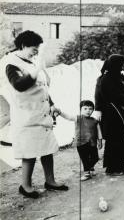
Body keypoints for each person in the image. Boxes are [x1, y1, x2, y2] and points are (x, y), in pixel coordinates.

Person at [0, 30, 68, 199]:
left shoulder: (30, 61)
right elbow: (20, 85)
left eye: (38, 48)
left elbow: (42, 87)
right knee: (29, 153)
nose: (36, 51)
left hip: (42, 114)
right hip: (26, 116)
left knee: (47, 149)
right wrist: (37, 68)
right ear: (23, 46)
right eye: (34, 48)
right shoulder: (11, 63)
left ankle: (50, 181)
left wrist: (51, 105)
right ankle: (26, 186)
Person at [58, 100, 103, 181]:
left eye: (90, 109)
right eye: (85, 109)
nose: (88, 111)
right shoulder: (78, 118)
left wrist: (100, 141)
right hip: (81, 143)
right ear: (81, 110)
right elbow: (68, 117)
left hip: (92, 143)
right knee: (85, 158)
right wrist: (60, 112)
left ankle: (91, 168)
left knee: (95, 158)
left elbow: (99, 131)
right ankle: (87, 173)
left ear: (93, 110)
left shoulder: (94, 120)